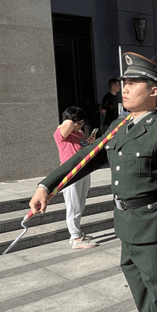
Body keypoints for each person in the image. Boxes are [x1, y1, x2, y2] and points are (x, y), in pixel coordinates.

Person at [30, 52, 157, 312]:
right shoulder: (120, 127)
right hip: (127, 228)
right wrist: (48, 185)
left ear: (154, 90)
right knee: (146, 306)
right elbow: (86, 157)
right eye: (124, 82)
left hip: (154, 229)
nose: (125, 88)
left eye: (133, 83)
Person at [54, 106, 98, 249]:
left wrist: (89, 142)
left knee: (80, 203)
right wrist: (72, 119)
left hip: (83, 171)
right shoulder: (60, 133)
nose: (80, 125)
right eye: (79, 122)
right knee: (73, 205)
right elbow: (66, 124)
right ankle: (76, 237)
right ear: (72, 121)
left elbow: (82, 148)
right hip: (70, 173)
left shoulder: (78, 134)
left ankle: (76, 233)